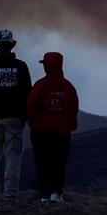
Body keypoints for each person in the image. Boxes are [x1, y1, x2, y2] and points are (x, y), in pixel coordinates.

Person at [0, 29, 31, 200]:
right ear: (11, 46)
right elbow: (27, 93)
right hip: (14, 118)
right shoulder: (21, 66)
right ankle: (10, 193)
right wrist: (23, 117)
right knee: (13, 157)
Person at [26, 52, 79, 203]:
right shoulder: (67, 86)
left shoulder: (40, 85)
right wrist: (70, 125)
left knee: (42, 162)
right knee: (59, 162)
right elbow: (73, 107)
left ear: (47, 66)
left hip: (40, 133)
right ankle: (56, 193)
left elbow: (30, 106)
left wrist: (33, 124)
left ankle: (44, 194)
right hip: (62, 132)